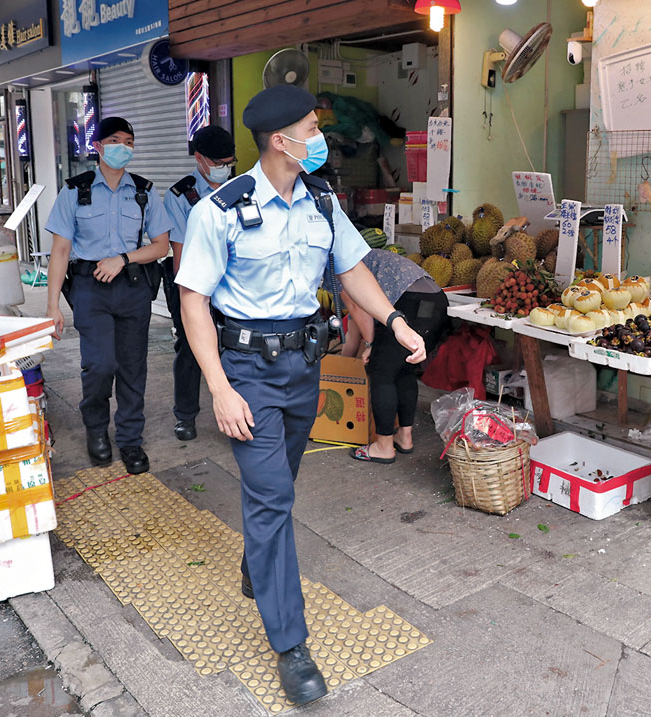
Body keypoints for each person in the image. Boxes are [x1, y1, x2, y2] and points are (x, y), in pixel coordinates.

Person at [175, 84, 426, 706]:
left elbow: (351, 268)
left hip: (303, 369)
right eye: (313, 129)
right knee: (273, 500)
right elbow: (193, 301)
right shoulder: (221, 210)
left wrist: (394, 321)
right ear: (282, 141)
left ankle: (257, 565)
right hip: (248, 374)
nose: (321, 138)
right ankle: (292, 646)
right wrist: (219, 389)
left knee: (278, 486)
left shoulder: (320, 198)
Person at [45, 117, 172, 474]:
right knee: (99, 365)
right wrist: (52, 305)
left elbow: (161, 246)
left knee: (133, 367)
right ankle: (97, 430)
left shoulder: (145, 191)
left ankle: (131, 440)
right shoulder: (75, 191)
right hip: (90, 290)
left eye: (129, 141)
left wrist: (124, 258)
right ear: (98, 146)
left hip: (133, 288)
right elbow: (59, 251)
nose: (123, 147)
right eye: (115, 140)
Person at [163, 126, 237, 442]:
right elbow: (181, 255)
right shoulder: (181, 195)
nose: (225, 167)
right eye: (219, 162)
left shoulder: (239, 188)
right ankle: (186, 416)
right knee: (191, 348)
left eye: (230, 162)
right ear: (200, 159)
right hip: (190, 280)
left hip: (231, 279)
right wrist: (190, 301)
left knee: (236, 345)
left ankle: (240, 410)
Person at [340, 249, 449, 464]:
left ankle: (383, 446)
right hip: (435, 301)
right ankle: (404, 437)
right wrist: (342, 366)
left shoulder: (338, 264)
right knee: (405, 366)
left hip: (409, 301)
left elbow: (356, 308)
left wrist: (370, 345)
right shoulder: (368, 256)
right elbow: (354, 325)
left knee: (381, 371)